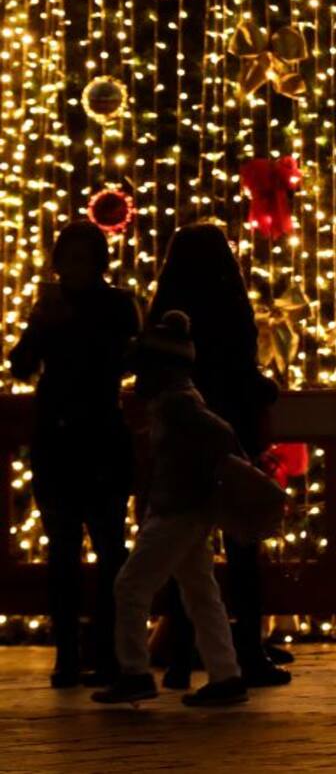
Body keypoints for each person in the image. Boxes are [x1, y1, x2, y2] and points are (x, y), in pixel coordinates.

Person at [146, 224, 289, 688]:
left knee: (186, 551)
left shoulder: (168, 318)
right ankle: (246, 650)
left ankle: (182, 654)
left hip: (182, 450)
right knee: (242, 548)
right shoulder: (231, 309)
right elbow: (245, 373)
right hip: (231, 440)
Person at [7, 222, 140, 688]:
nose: (74, 268)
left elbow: (125, 362)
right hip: (58, 442)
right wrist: (41, 325)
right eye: (68, 259)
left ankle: (107, 652)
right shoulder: (51, 308)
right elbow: (21, 365)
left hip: (100, 437)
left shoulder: (119, 306)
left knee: (109, 550)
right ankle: (67, 654)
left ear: (99, 263)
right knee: (63, 551)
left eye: (84, 259)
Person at [92, 311, 248, 707]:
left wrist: (233, 463)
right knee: (200, 590)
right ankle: (225, 673)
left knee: (131, 586)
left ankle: (134, 671)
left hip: (177, 509)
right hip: (190, 509)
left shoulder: (178, 404)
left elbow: (219, 433)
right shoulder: (176, 400)